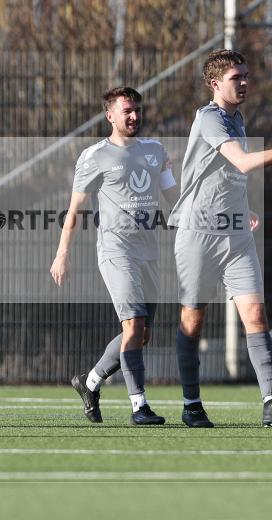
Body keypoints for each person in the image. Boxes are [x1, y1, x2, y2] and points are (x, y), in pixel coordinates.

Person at [168, 49, 272, 428]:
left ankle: (271, 401)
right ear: (214, 83)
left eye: (246, 76)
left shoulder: (236, 118)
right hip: (198, 233)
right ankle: (192, 404)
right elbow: (242, 162)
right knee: (192, 321)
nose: (244, 83)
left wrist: (244, 208)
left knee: (255, 314)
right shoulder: (209, 118)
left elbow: (227, 174)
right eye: (236, 77)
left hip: (235, 233)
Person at [51, 86, 177, 425]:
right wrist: (62, 253)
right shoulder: (94, 156)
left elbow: (174, 197)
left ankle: (89, 382)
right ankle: (139, 407)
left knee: (141, 334)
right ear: (110, 115)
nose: (134, 116)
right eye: (127, 111)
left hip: (150, 253)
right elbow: (75, 209)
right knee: (133, 325)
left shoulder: (155, 150)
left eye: (137, 110)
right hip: (116, 251)